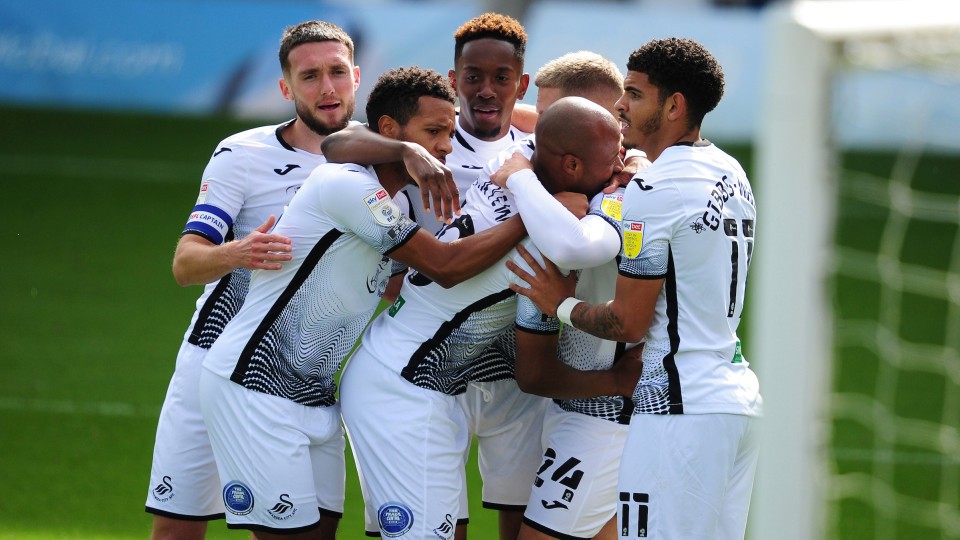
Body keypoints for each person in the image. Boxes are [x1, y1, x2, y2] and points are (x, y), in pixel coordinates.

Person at [198, 66, 529, 539]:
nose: (445, 147)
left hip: (316, 395)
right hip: (254, 386)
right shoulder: (346, 187)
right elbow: (446, 267)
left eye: (448, 132)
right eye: (433, 133)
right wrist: (532, 218)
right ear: (392, 132)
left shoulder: (387, 199)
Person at [340, 96, 635, 540]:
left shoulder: (510, 165)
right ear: (571, 167)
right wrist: (617, 194)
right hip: (401, 389)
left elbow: (540, 132)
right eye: (613, 159)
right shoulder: (553, 237)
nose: (620, 165)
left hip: (421, 383)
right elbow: (581, 246)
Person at [506, 38, 762, 539]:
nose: (621, 106)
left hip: (675, 408)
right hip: (733, 400)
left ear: (674, 105)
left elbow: (628, 321)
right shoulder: (730, 170)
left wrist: (561, 304)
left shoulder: (651, 189)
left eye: (635, 94)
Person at [144, 20, 364, 540]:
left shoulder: (381, 164)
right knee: (178, 529)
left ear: (357, 76)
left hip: (307, 376)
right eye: (310, 76)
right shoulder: (242, 154)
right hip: (213, 365)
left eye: (337, 72)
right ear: (286, 89)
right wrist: (239, 252)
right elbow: (185, 263)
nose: (327, 88)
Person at [322, 13, 533, 538]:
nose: (486, 90)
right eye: (472, 77)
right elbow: (335, 144)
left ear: (521, 84)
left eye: (501, 78)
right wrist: (407, 151)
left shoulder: (538, 146)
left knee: (525, 518)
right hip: (429, 361)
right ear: (454, 78)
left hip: (513, 368)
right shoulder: (430, 137)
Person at [481, 50, 649, 540]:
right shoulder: (567, 190)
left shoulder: (629, 194)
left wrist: (521, 179)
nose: (539, 145)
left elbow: (575, 246)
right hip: (573, 413)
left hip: (612, 419)